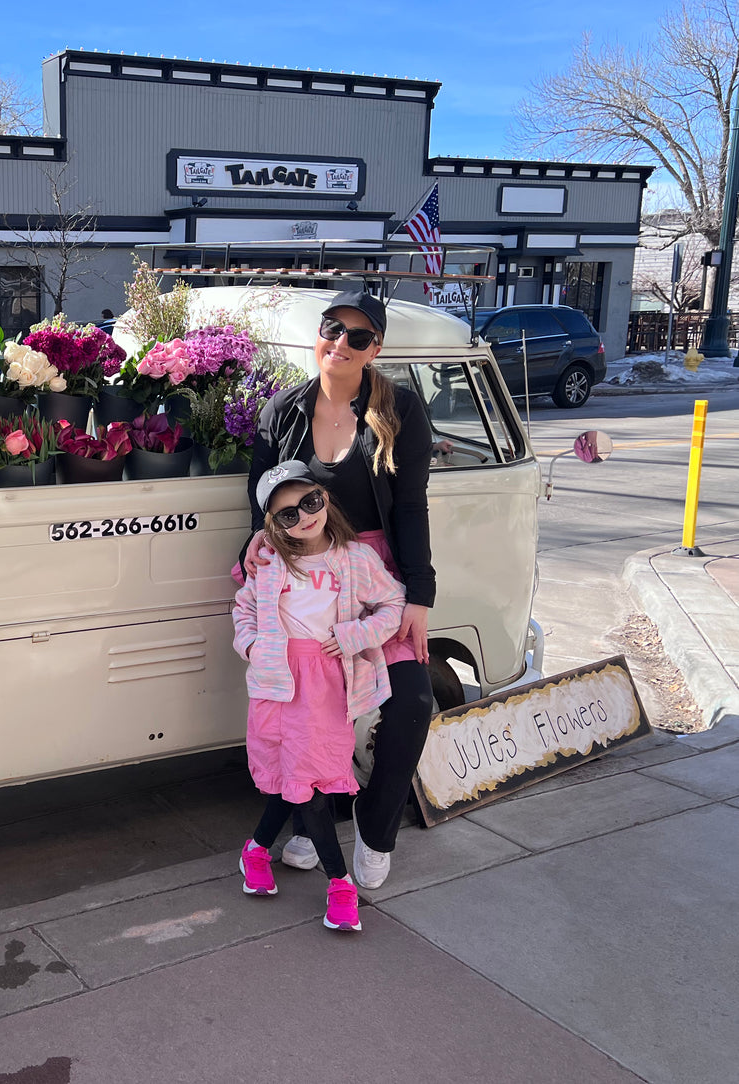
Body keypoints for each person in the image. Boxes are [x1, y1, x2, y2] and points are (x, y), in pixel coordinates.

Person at [241, 290, 437, 890]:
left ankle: (375, 832)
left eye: (359, 336)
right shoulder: (282, 411)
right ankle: (306, 824)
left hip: (373, 575)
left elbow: (410, 506)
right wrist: (254, 541)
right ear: (318, 332)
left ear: (375, 348)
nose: (342, 344)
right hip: (303, 570)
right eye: (334, 329)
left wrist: (420, 596)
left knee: (410, 703)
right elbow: (260, 495)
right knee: (306, 707)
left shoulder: (401, 409)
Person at [234, 462, 406, 932]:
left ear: (324, 498)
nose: (304, 517)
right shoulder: (269, 562)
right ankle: (331, 880)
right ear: (273, 523)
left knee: (308, 781)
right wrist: (250, 646)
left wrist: (355, 633)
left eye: (310, 503)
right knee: (297, 780)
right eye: (288, 514)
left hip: (328, 683)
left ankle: (284, 861)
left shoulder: (354, 558)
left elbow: (393, 604)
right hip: (276, 682)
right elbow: (244, 608)